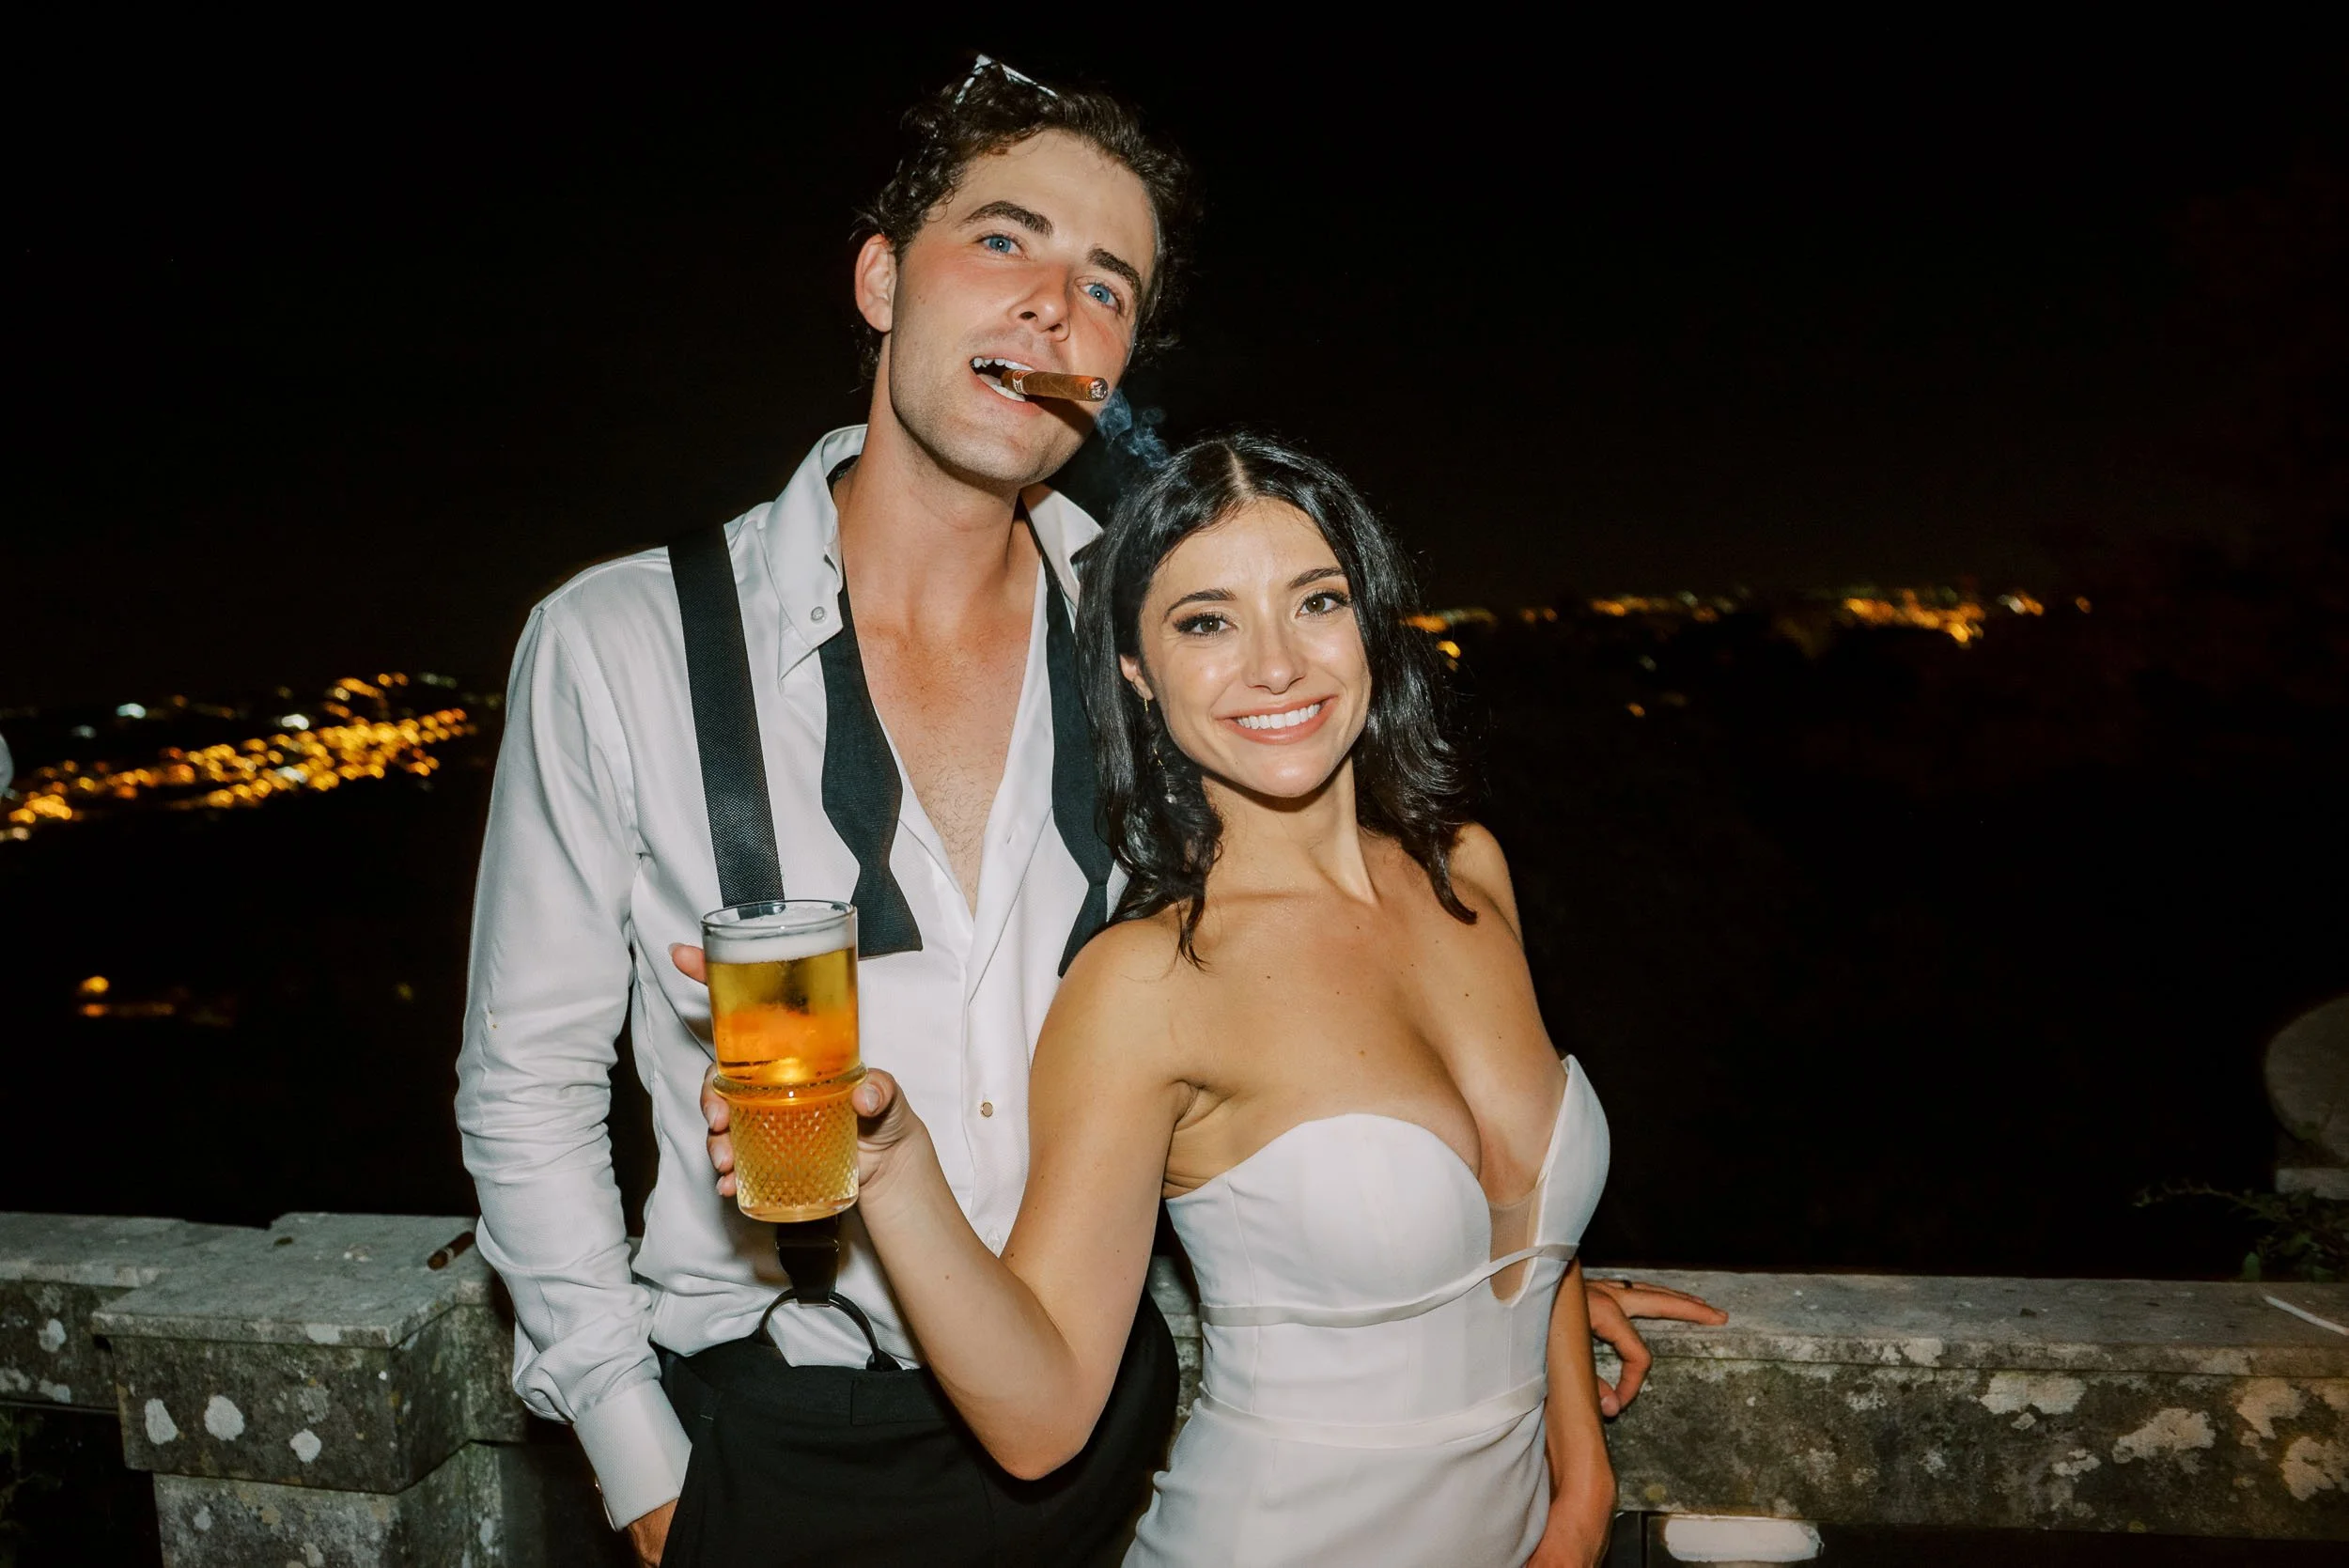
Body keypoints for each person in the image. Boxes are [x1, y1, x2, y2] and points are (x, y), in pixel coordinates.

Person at [463, 57, 1714, 1568]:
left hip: (1111, 1435)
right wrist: (642, 1463)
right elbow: (527, 1084)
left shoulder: (1155, 626)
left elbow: (1335, 968)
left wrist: (1491, 1267)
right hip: (777, 1437)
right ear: (879, 278)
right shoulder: (619, 642)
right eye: (1006, 241)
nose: (1058, 308)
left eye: (1108, 286)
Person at [704, 433, 1667, 1566]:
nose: (1276, 665)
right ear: (1136, 672)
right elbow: (1039, 1417)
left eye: (1317, 600)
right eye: (1206, 620)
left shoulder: (1466, 871)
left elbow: (1521, 1223)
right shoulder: (1147, 982)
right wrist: (897, 1166)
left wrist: (1582, 1487)